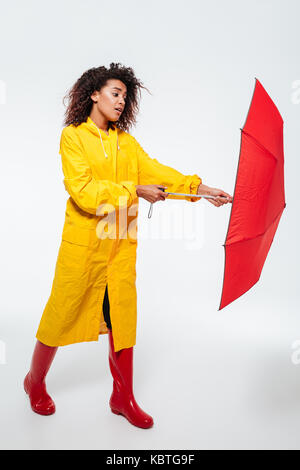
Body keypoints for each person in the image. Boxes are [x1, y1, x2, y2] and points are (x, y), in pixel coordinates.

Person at [24, 63, 233, 429]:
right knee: (60, 314)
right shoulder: (73, 137)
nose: (121, 102)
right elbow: (84, 192)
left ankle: (123, 397)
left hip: (120, 249)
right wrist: (134, 191)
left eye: (125, 96)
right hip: (84, 248)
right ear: (94, 94)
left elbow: (156, 172)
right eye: (115, 93)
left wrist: (201, 189)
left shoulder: (127, 143)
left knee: (123, 320)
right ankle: (34, 381)